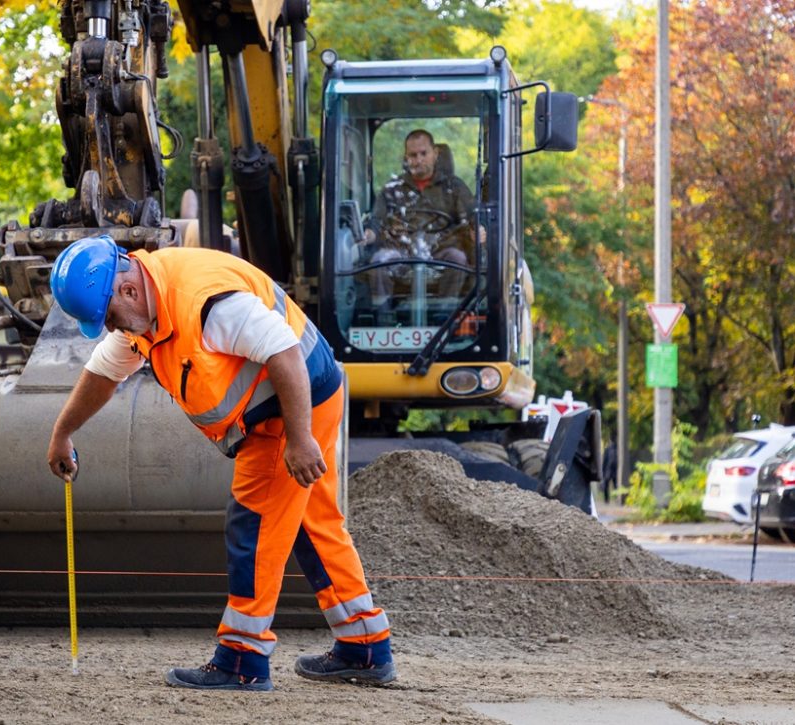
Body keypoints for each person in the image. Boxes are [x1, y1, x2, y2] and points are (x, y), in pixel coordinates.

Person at [45, 236, 394, 691]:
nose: (112, 328)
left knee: (253, 524)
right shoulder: (142, 312)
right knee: (310, 524)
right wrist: (62, 433)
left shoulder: (204, 303)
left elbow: (284, 352)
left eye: (109, 318)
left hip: (290, 405)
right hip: (296, 400)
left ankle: (242, 659)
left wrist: (300, 438)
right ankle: (364, 644)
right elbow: (103, 375)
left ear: (127, 292)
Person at [364, 129, 479, 301]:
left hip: (441, 252)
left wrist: (478, 229)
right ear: (406, 157)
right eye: (413, 155)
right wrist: (368, 234)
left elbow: (474, 217)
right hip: (401, 253)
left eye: (423, 153)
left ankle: (445, 310)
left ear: (435, 153)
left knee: (458, 258)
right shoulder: (392, 188)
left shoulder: (454, 187)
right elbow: (376, 221)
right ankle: (382, 315)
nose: (418, 160)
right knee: (379, 260)